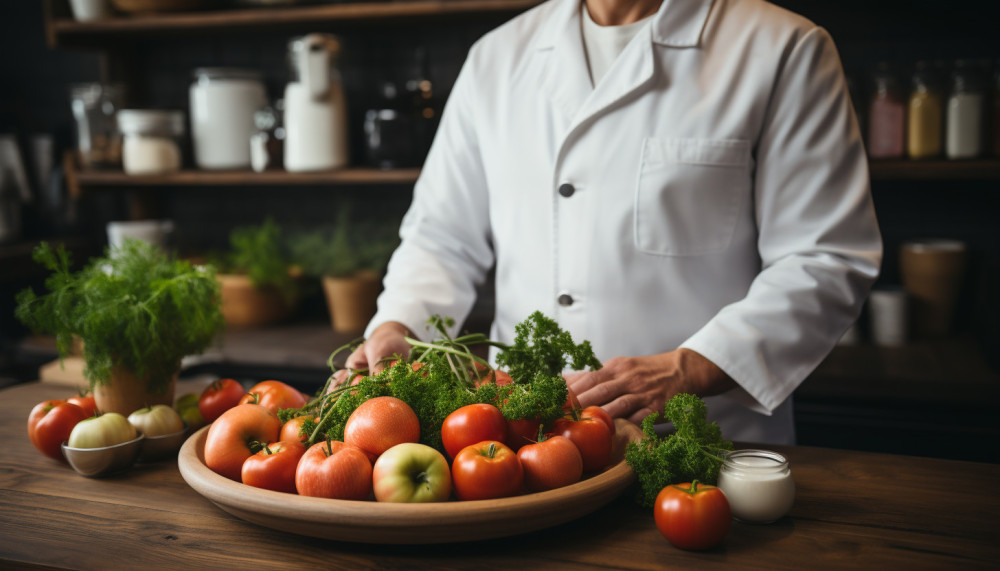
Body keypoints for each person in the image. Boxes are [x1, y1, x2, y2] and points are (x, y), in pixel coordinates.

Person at [339, 0, 882, 444]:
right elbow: (442, 239)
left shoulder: (781, 48)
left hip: (702, 443)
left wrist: (689, 369)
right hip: (520, 443)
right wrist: (399, 326)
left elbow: (824, 257)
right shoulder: (496, 60)